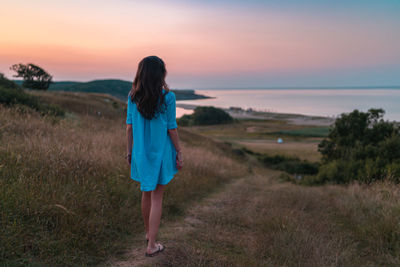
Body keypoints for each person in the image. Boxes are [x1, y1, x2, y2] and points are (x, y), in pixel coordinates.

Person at [125, 56, 183, 257]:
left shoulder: (133, 96)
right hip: (161, 154)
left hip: (140, 153)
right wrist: (179, 152)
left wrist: (129, 152)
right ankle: (151, 245)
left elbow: (129, 128)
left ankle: (149, 234)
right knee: (157, 197)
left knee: (146, 193)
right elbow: (172, 129)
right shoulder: (168, 97)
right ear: (161, 74)